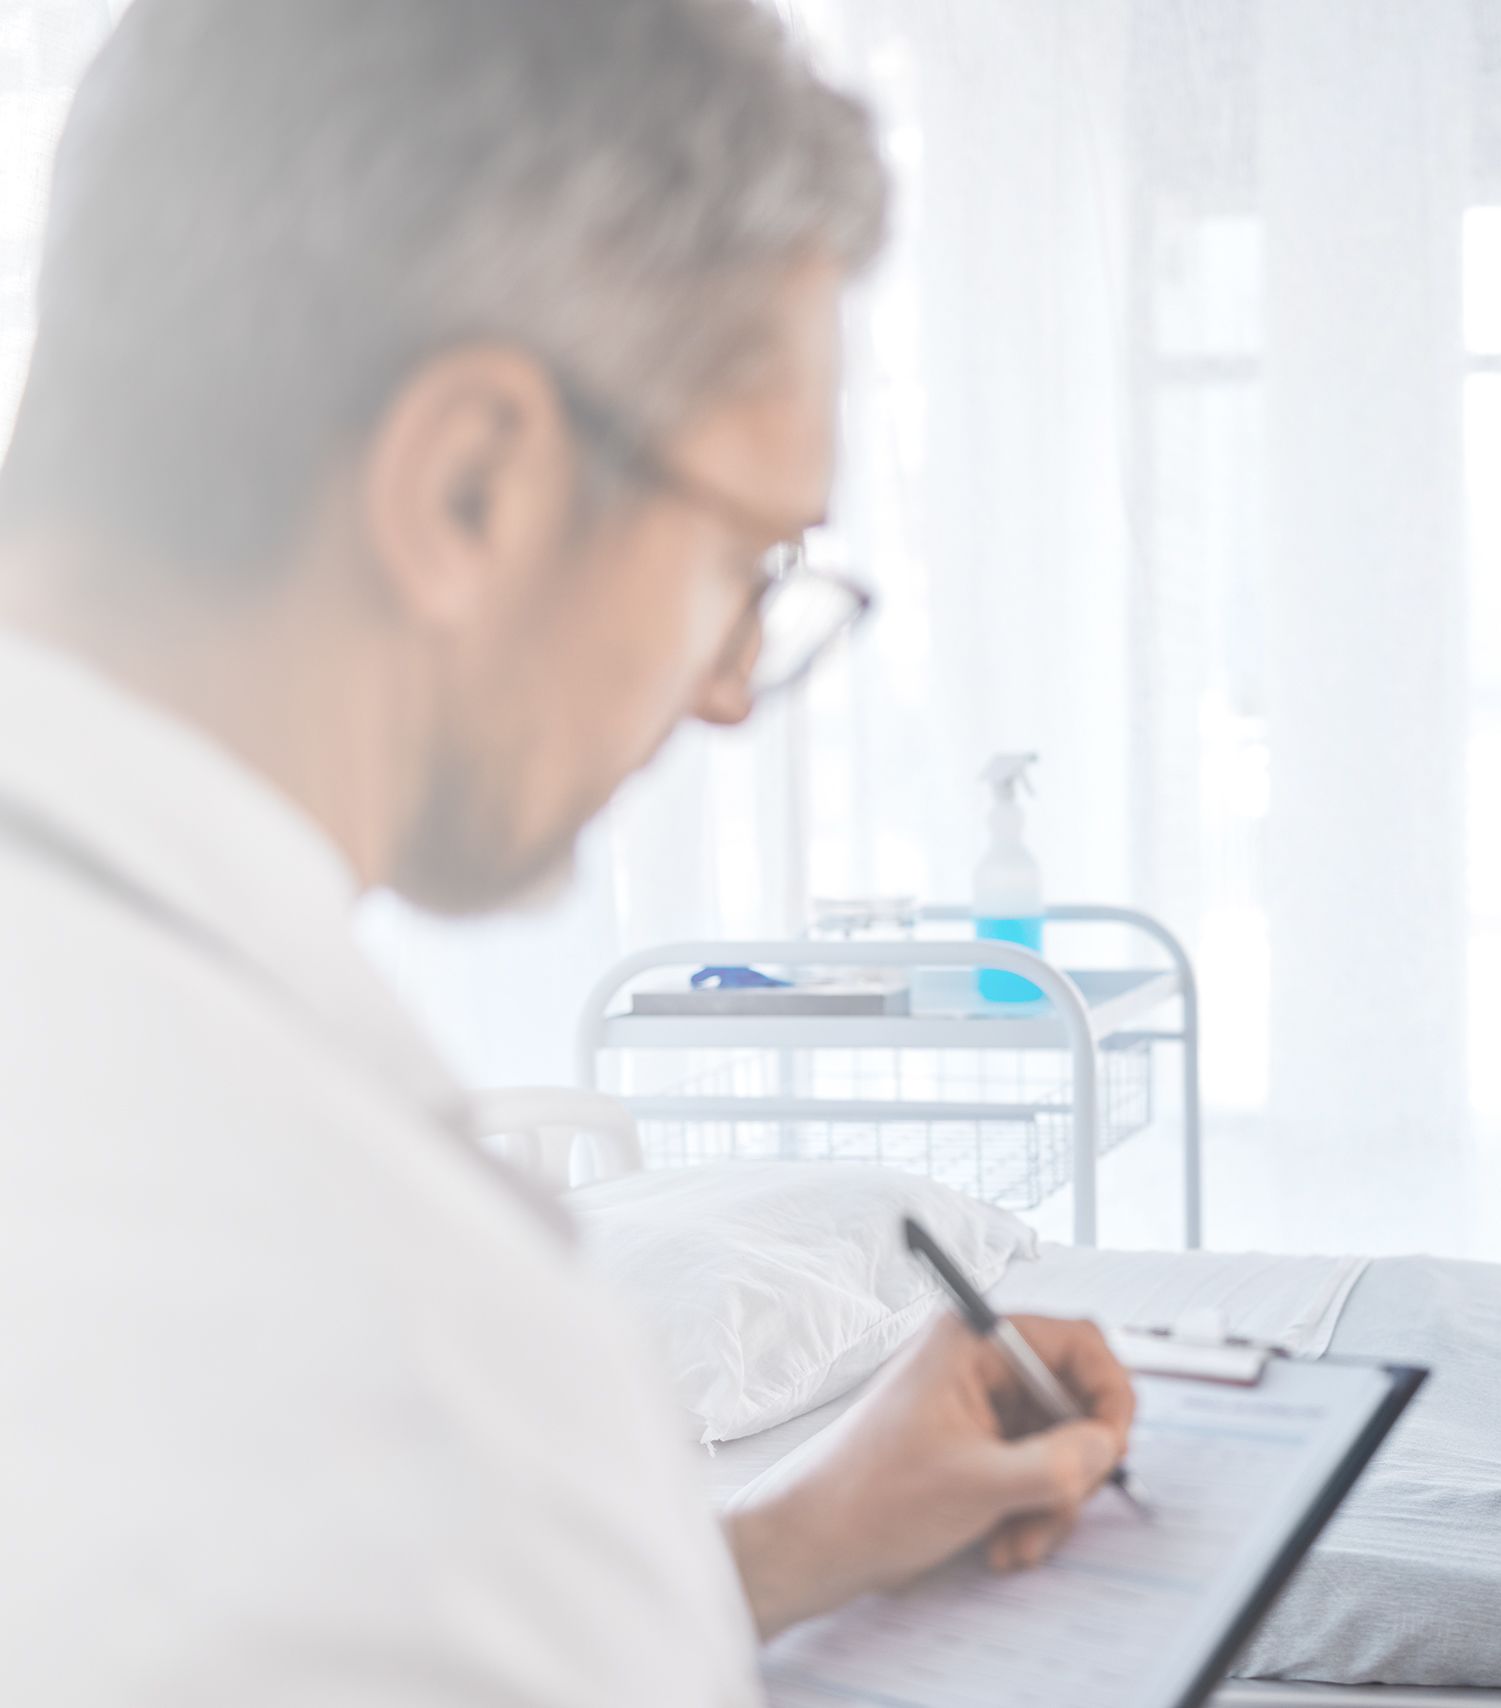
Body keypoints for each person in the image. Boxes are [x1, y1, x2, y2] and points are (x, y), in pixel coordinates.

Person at [0, 1, 1133, 1701]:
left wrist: (768, 1551)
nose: (739, 689)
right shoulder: (410, 1336)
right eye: (746, 560)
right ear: (469, 488)